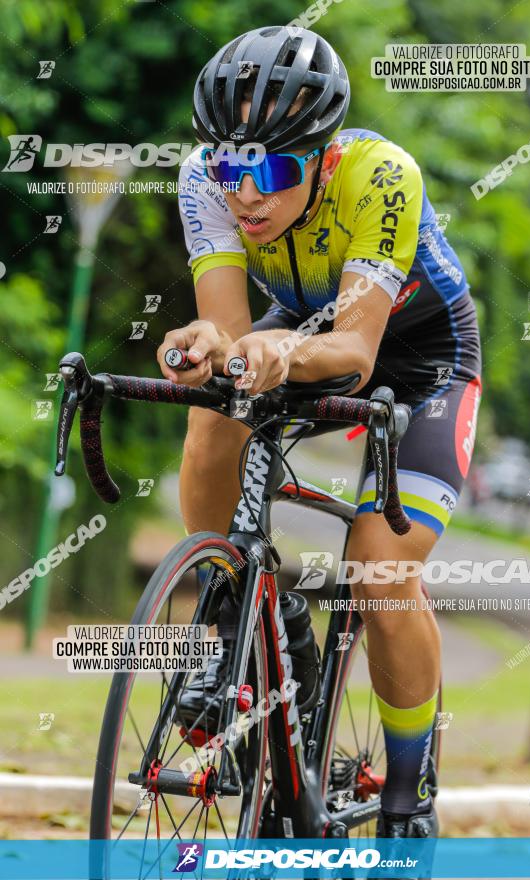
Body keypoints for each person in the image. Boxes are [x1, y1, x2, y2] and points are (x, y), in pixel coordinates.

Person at [157, 25, 481, 839]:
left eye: (270, 171)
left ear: (323, 157)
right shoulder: (203, 178)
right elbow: (230, 335)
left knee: (377, 574)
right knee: (212, 418)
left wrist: (278, 349)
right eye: (231, 168)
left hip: (417, 358)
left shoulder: (380, 176)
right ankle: (241, 621)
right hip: (299, 328)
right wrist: (205, 350)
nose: (245, 195)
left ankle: (407, 797)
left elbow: (354, 347)